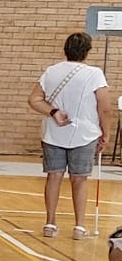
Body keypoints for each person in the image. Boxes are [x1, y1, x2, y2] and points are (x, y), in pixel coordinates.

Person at [29, 32, 114, 239]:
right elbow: (105, 108)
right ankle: (79, 226)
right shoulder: (94, 74)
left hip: (53, 133)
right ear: (87, 51)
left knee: (54, 176)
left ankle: (50, 223)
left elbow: (34, 99)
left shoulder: (51, 72)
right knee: (79, 179)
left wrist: (53, 112)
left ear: (65, 49)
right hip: (85, 134)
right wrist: (106, 133)